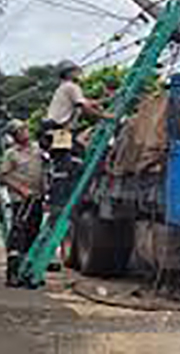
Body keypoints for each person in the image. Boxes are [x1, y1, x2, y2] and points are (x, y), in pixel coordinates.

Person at [44, 60, 112, 270]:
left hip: (54, 132)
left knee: (74, 157)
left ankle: (65, 184)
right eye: (77, 71)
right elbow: (85, 108)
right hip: (59, 132)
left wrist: (104, 100)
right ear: (70, 72)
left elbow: (86, 102)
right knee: (73, 162)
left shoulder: (66, 89)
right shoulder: (72, 87)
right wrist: (107, 117)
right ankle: (67, 186)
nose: (79, 73)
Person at [0, 119, 46, 287]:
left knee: (34, 235)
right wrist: (21, 189)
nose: (25, 132)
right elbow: (3, 176)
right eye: (20, 130)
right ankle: (12, 274)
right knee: (18, 237)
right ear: (14, 135)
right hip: (21, 201)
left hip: (37, 199)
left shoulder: (37, 149)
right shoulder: (11, 154)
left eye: (25, 128)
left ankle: (30, 272)